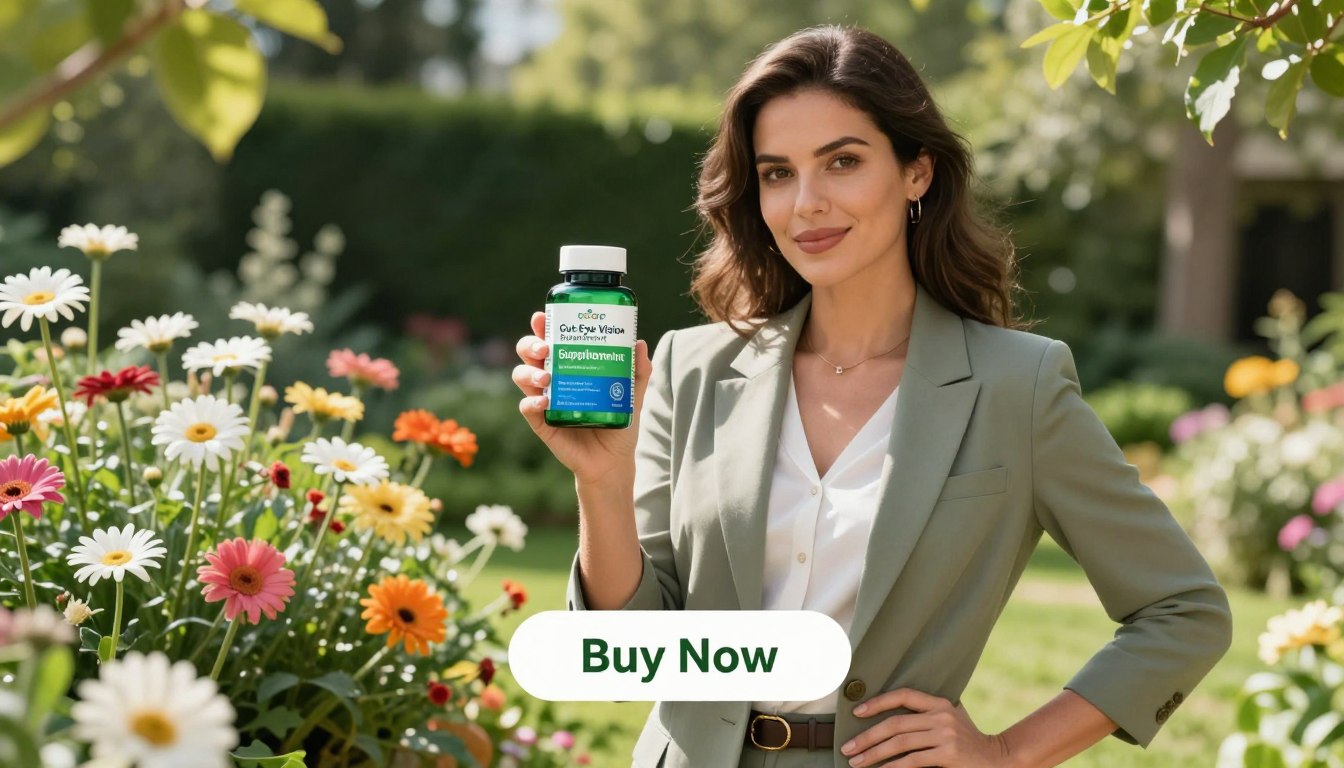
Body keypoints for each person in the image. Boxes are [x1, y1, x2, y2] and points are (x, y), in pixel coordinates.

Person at [512, 24, 1232, 768]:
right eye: (777, 173)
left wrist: (1009, 752)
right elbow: (631, 647)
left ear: (917, 172)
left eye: (843, 162)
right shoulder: (689, 367)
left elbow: (1183, 609)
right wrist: (602, 482)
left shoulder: (1017, 386)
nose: (807, 203)